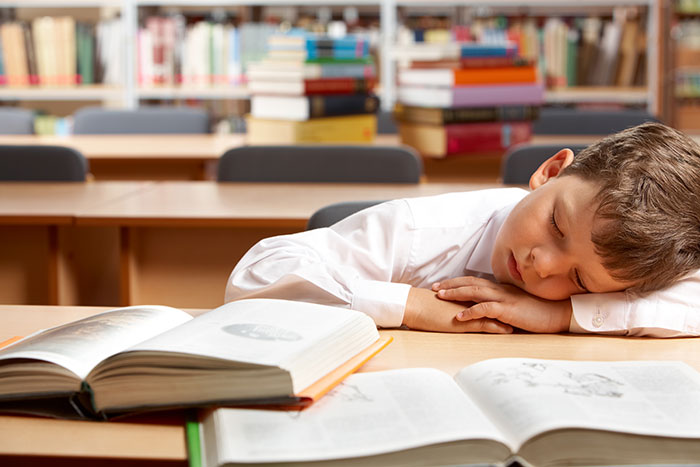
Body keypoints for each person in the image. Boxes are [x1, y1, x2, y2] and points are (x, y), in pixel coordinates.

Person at [225, 123, 700, 337]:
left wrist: (564, 316)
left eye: (577, 279)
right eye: (556, 225)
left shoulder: (625, 272)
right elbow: (256, 277)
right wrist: (409, 305)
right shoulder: (420, 230)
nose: (543, 266)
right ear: (550, 173)